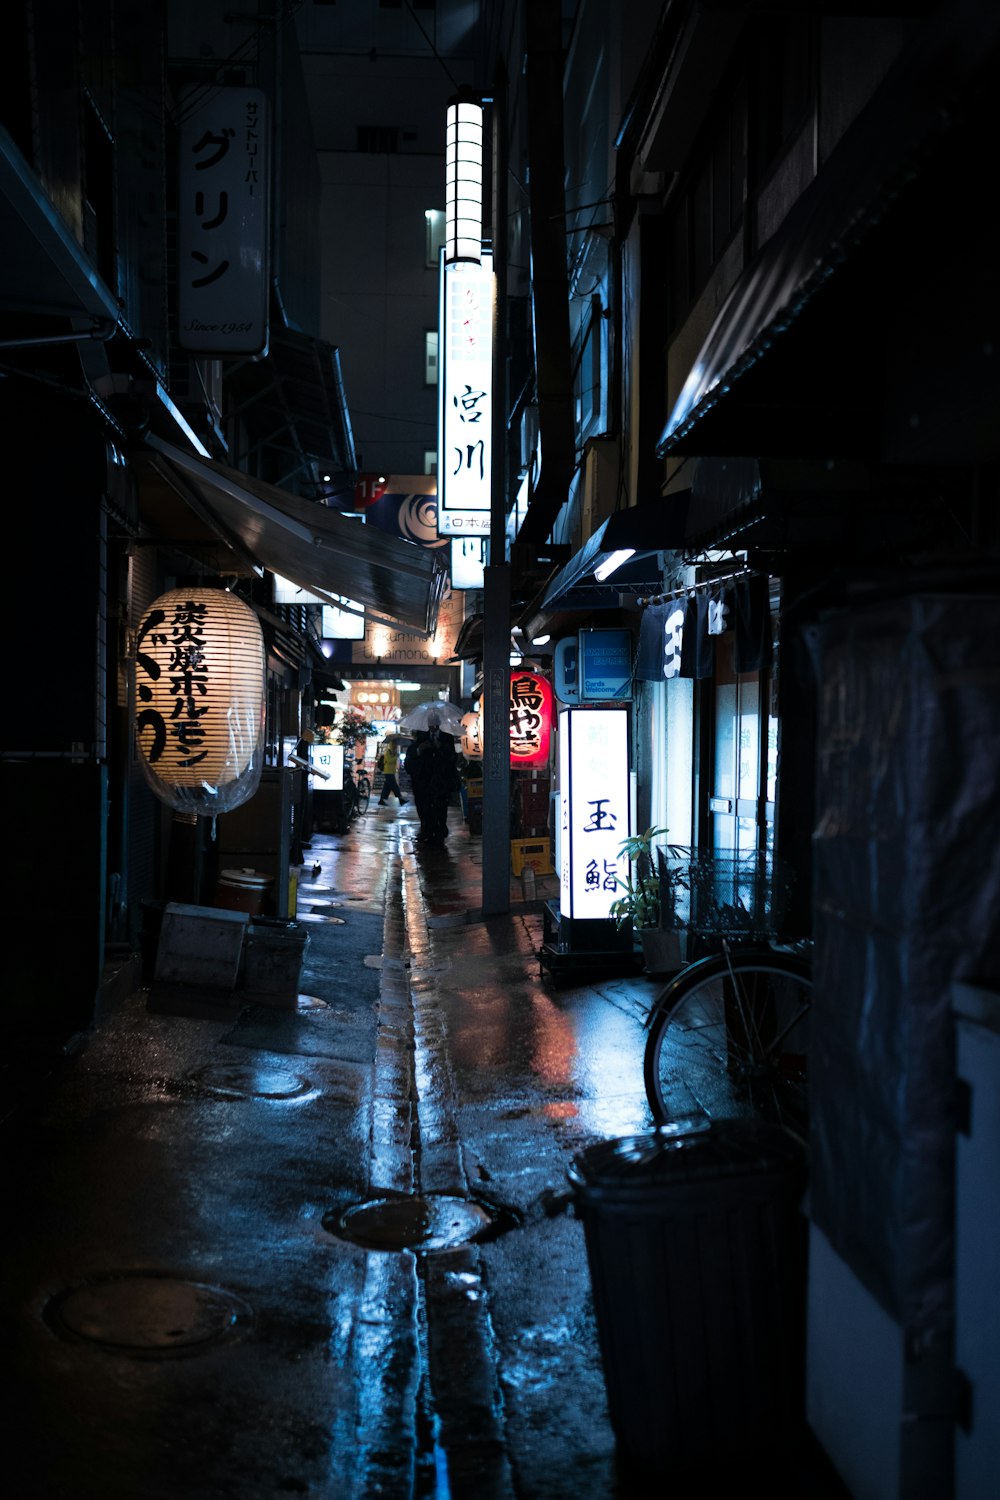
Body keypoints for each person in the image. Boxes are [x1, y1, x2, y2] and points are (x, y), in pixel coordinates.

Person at [403, 714, 461, 846]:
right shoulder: (421, 736)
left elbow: (452, 757)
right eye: (430, 723)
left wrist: (440, 747)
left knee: (441, 806)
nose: (432, 726)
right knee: (424, 806)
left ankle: (440, 830)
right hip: (424, 780)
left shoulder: (447, 738)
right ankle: (427, 831)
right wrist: (420, 749)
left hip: (441, 780)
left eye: (434, 723)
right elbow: (412, 756)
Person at [376, 736, 407, 806]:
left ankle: (381, 800)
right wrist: (396, 756)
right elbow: (389, 760)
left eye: (396, 745)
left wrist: (395, 755)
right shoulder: (388, 752)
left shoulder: (394, 753)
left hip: (391, 772)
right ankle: (400, 799)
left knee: (387, 787)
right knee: (394, 786)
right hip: (388, 772)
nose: (395, 746)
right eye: (394, 744)